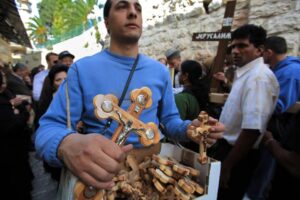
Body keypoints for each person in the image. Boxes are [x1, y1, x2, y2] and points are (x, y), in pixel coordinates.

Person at [35, 0, 224, 191]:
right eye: (122, 6)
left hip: (151, 176)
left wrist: (190, 129)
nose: (133, 12)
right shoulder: (81, 70)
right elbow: (47, 129)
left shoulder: (159, 72)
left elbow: (170, 121)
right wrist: (66, 144)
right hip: (100, 178)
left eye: (138, 8)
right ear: (107, 22)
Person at [207, 24, 279, 200]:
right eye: (233, 46)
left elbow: (252, 130)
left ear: (259, 50)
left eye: (242, 46)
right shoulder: (246, 74)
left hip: (238, 156)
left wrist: (227, 166)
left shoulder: (258, 78)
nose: (235, 51)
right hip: (227, 149)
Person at [246, 36, 300, 200]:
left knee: (265, 174)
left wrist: (249, 102)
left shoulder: (290, 73)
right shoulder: (280, 69)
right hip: (272, 131)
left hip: (279, 134)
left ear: (269, 52)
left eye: (263, 53)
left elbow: (276, 105)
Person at [0, 70, 33, 200]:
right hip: (8, 154)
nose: (3, 83)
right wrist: (21, 113)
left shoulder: (6, 93)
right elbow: (11, 125)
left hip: (17, 150)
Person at [175, 60, 210, 152]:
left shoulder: (182, 98)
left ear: (185, 76)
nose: (178, 75)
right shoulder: (201, 92)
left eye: (180, 72)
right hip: (196, 145)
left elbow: (176, 125)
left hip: (184, 146)